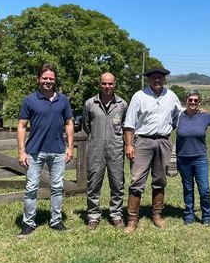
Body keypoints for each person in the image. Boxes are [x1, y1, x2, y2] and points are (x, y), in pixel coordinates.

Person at [16, 63, 74, 238]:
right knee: (31, 187)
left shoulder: (63, 100)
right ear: (38, 79)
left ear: (54, 80)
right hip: (34, 151)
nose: (48, 81)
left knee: (57, 187)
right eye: (45, 78)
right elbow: (21, 126)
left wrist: (69, 147)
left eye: (51, 78)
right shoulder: (29, 100)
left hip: (58, 151)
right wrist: (21, 151)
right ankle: (28, 223)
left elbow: (69, 123)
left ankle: (56, 220)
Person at [123, 67, 181, 232]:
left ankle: (157, 215)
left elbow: (180, 114)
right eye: (154, 77)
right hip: (143, 142)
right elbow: (129, 123)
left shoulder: (171, 96)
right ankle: (132, 219)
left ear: (164, 79)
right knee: (136, 180)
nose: (157, 80)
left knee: (160, 179)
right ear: (149, 79)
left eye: (160, 77)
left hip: (163, 141)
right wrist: (129, 145)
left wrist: (199, 112)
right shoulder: (139, 96)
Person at [82, 72, 128, 230]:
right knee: (93, 184)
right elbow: (86, 126)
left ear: (115, 84)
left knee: (117, 184)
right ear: (99, 84)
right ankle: (93, 216)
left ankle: (116, 215)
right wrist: (97, 138)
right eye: (104, 83)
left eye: (110, 83)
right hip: (96, 149)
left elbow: (125, 126)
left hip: (116, 150)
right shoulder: (90, 104)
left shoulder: (122, 104)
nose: (107, 86)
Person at [175, 89, 210, 225]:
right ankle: (189, 214)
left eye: (196, 100)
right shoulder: (179, 116)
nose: (193, 102)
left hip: (200, 158)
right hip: (183, 158)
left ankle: (207, 215)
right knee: (188, 188)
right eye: (190, 100)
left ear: (199, 102)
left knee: (204, 189)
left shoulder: (205, 116)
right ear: (186, 101)